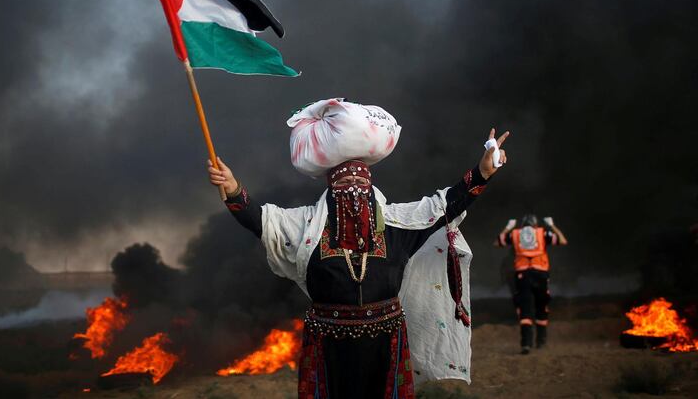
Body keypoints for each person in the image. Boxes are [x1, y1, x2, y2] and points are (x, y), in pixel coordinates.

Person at [208, 100, 508, 399]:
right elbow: (259, 220)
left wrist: (482, 173)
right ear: (330, 188)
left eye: (360, 181)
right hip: (329, 342)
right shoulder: (306, 225)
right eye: (344, 181)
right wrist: (233, 188)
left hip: (386, 340)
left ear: (372, 188)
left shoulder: (398, 225)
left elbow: (445, 205)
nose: (353, 188)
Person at [494, 214, 568, 354]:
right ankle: (541, 341)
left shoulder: (515, 234)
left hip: (523, 275)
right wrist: (552, 226)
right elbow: (562, 241)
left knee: (525, 309)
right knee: (541, 307)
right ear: (535, 224)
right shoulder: (543, 233)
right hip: (540, 274)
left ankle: (526, 344)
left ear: (522, 225)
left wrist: (508, 228)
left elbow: (497, 242)